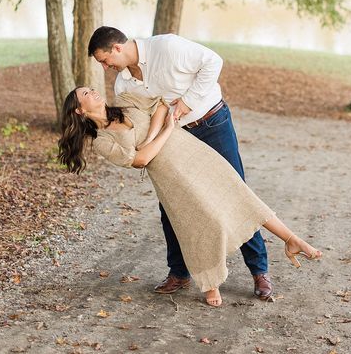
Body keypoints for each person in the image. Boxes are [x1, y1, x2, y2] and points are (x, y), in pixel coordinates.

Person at [58, 86, 322, 307]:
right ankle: (210, 283)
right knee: (197, 223)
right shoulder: (103, 141)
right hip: (170, 175)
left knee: (239, 195)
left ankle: (292, 239)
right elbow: (141, 159)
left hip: (193, 154)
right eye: (86, 94)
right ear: (79, 110)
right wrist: (165, 131)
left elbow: (162, 105)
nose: (93, 92)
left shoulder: (127, 102)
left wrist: (153, 134)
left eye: (92, 89)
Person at [86, 27, 274, 300]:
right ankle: (179, 272)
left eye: (105, 60)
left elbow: (213, 62)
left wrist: (188, 101)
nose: (105, 67)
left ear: (117, 48)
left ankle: (259, 271)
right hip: (175, 138)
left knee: (235, 192)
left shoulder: (167, 48)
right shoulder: (122, 84)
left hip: (211, 122)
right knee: (172, 204)